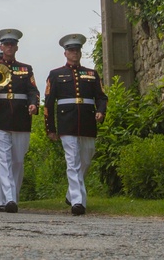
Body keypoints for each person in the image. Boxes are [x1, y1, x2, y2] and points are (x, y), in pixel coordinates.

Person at [44, 33, 108, 216]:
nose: (74, 53)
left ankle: (70, 194)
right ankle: (79, 202)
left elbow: (101, 97)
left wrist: (101, 111)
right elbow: (49, 103)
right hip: (67, 122)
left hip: (87, 122)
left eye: (77, 50)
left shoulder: (91, 74)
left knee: (86, 159)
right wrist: (50, 128)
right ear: (65, 53)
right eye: (71, 50)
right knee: (72, 161)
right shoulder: (56, 75)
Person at [0, 29, 40, 213]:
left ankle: (11, 196)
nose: (9, 47)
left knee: (17, 160)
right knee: (4, 160)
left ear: (16, 47)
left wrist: (33, 105)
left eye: (12, 44)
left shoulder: (25, 69)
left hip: (21, 119)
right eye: (6, 44)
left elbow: (33, 91)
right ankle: (9, 199)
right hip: (0, 119)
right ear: (1, 46)